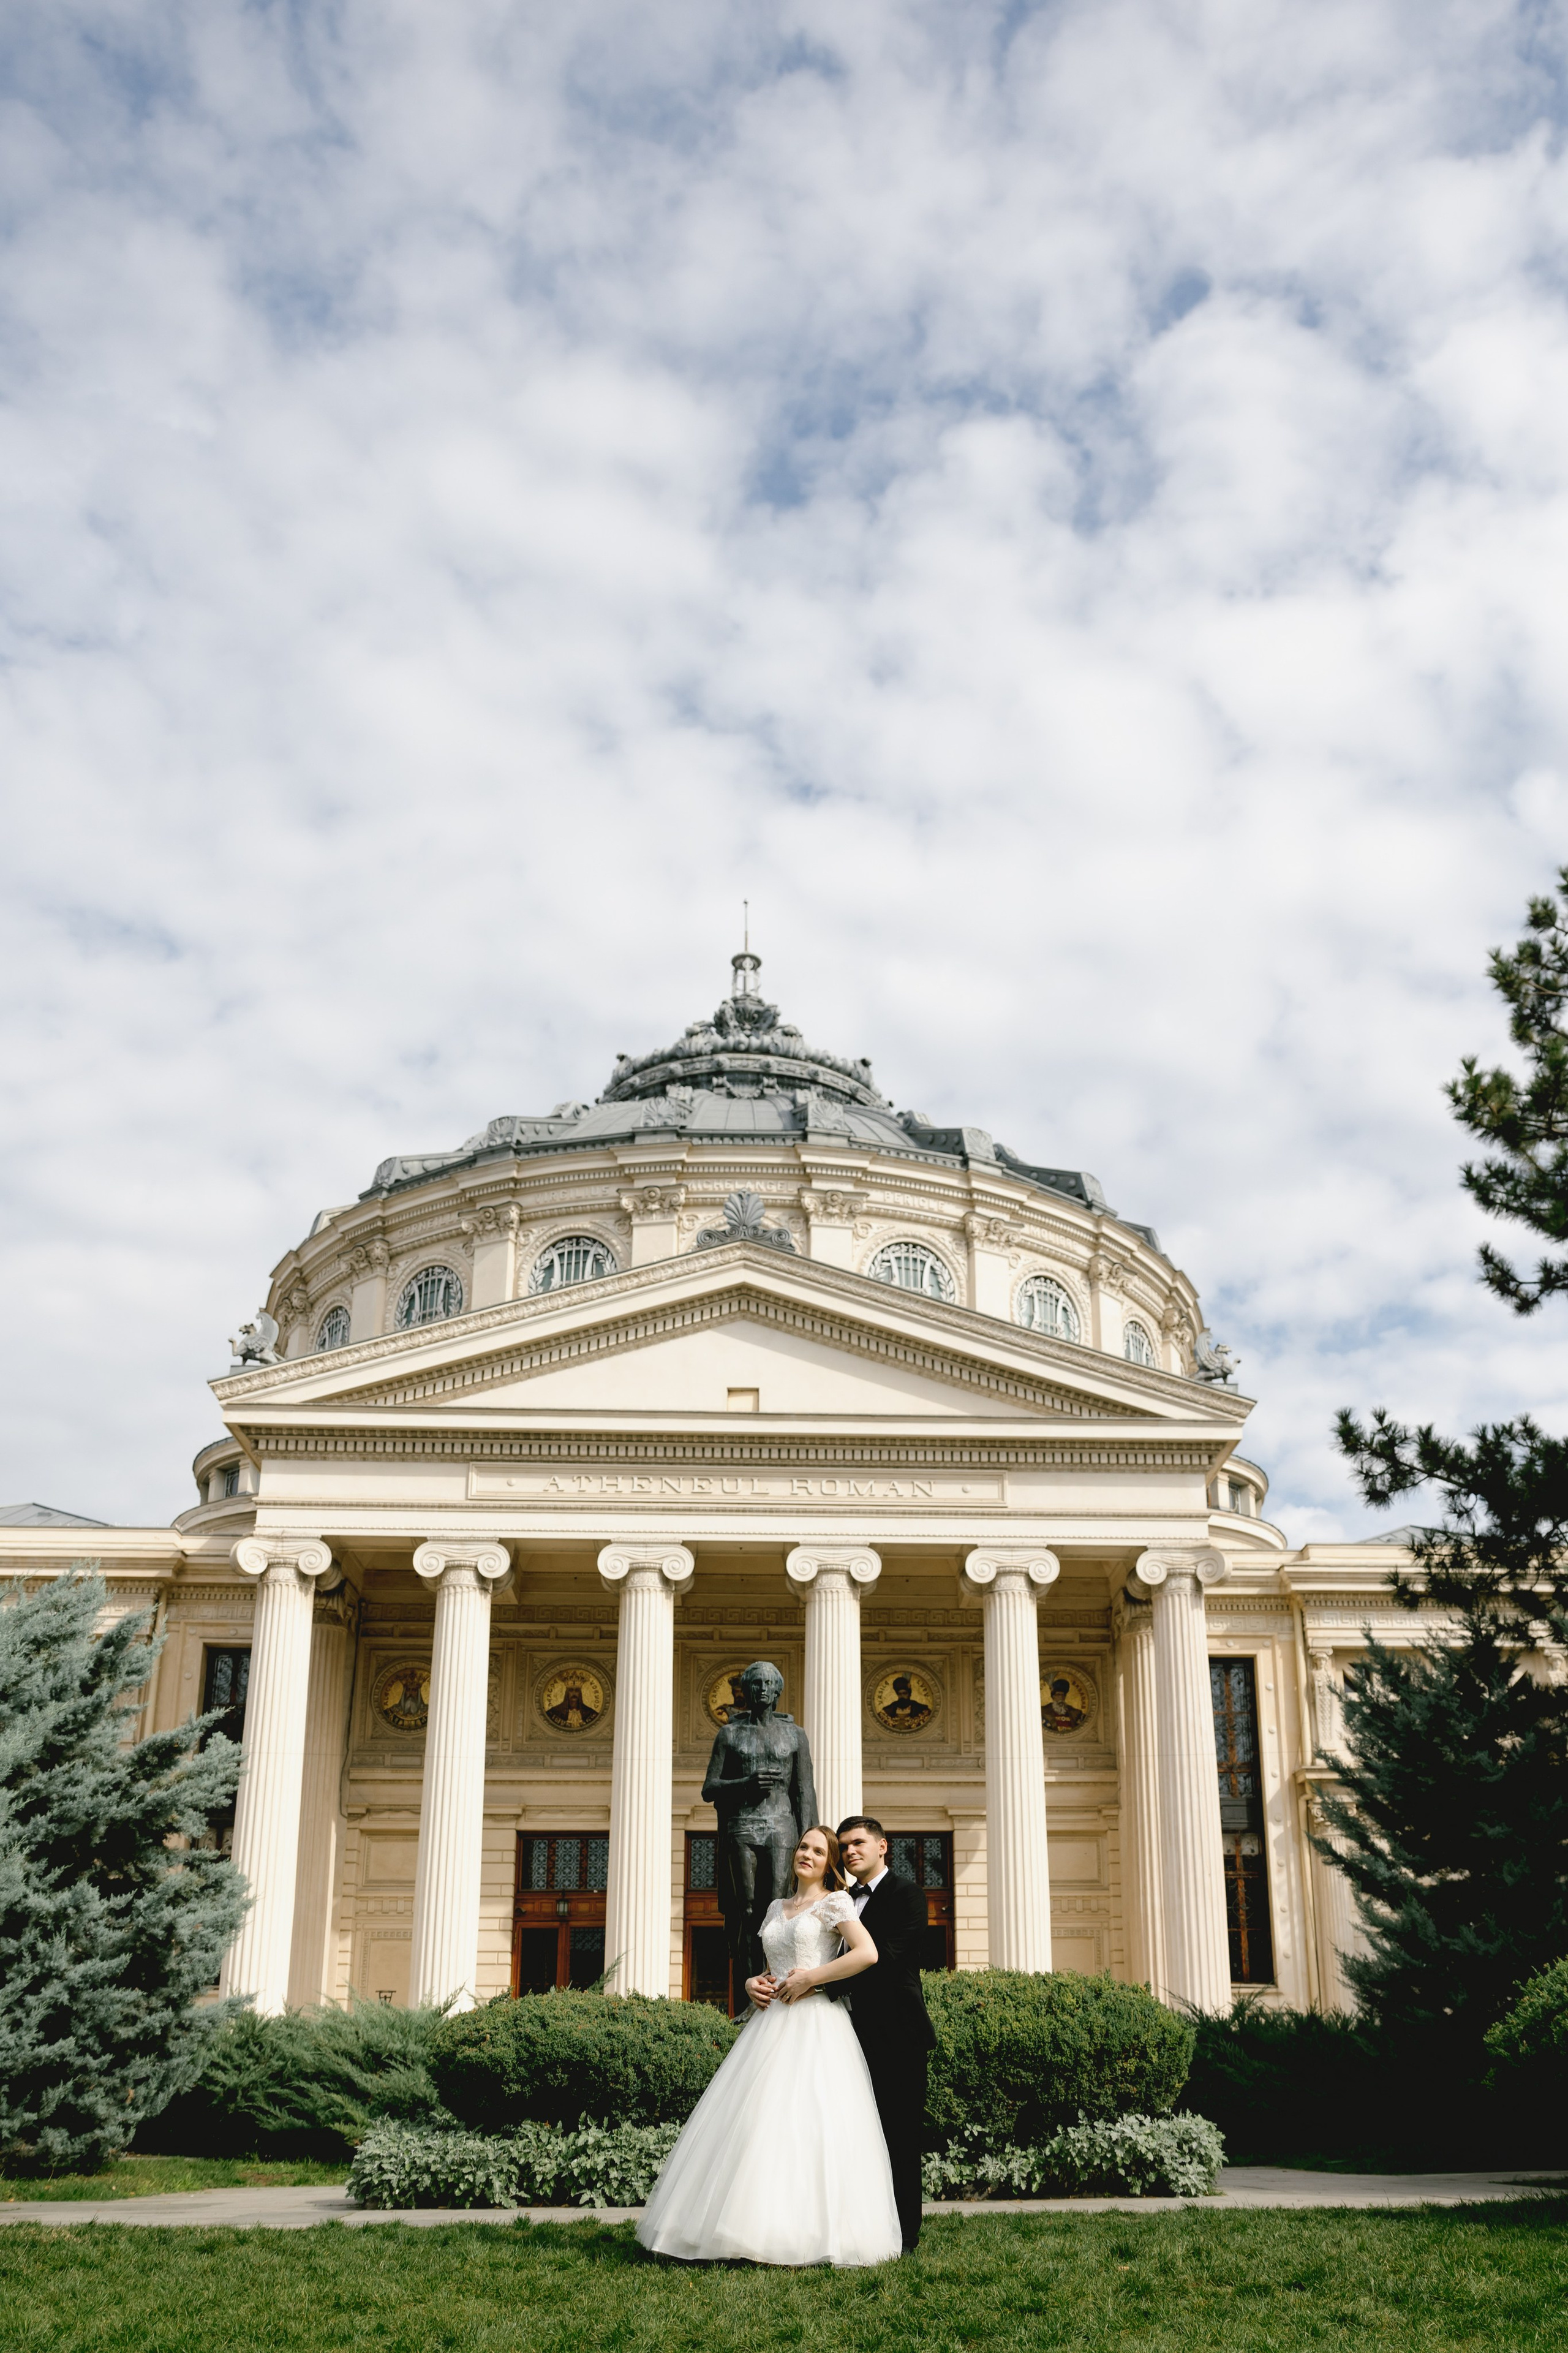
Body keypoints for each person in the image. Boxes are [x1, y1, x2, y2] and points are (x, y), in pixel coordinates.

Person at [636, 1825, 900, 2268]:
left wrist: (811, 1978)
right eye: (803, 1847)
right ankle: (739, 2229)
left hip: (816, 2023)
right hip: (770, 2023)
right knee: (757, 2122)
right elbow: (768, 1964)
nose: (808, 1855)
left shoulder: (835, 1901)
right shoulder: (777, 1907)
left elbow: (867, 1953)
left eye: (819, 1850)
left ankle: (805, 2233)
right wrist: (750, 1982)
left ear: (829, 1862)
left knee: (806, 2123)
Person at [832, 1815, 937, 2253]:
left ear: (882, 1846)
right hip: (843, 2035)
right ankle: (859, 2226)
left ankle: (906, 2234)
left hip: (897, 2035)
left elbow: (887, 1957)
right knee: (852, 2134)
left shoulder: (908, 1894)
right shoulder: (838, 1901)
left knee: (899, 2135)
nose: (850, 1851)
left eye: (858, 1842)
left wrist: (820, 1983)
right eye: (844, 1847)